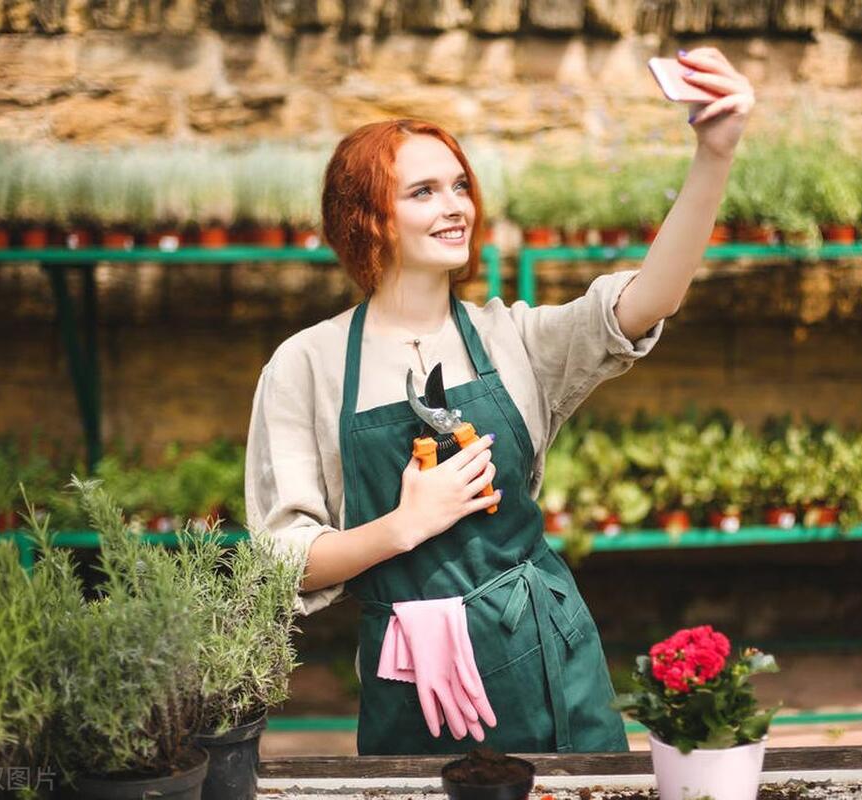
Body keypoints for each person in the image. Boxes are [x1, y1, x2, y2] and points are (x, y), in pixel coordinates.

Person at [245, 47, 754, 755]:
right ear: (366, 219)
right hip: (414, 678)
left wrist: (715, 153)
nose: (454, 205)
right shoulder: (308, 365)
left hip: (546, 655)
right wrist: (401, 526)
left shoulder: (514, 337)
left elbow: (646, 300)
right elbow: (281, 558)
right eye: (422, 191)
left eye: (459, 186)